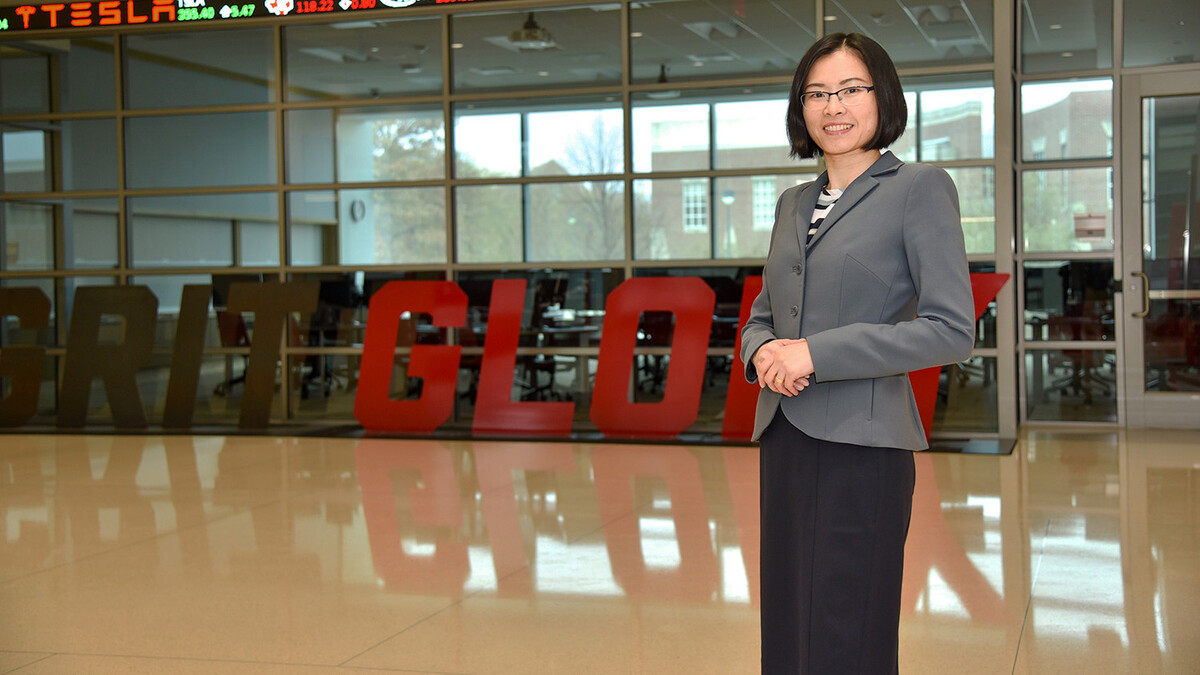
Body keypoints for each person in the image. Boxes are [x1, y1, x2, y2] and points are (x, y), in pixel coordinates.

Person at [740, 33, 976, 674]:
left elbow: (952, 328)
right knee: (788, 615)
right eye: (817, 93)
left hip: (864, 443)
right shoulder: (792, 204)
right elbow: (765, 316)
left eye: (850, 89)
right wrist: (761, 352)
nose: (833, 106)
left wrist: (816, 352)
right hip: (786, 431)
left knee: (849, 620)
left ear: (883, 97)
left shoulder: (919, 189)